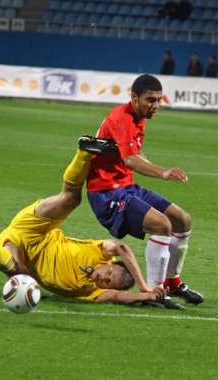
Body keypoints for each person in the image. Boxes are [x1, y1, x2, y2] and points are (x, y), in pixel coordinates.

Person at [0, 138, 168, 307]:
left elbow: (117, 297)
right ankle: (84, 151)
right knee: (71, 199)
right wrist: (144, 285)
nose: (104, 278)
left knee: (20, 275)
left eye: (108, 282)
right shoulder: (99, 252)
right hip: (37, 230)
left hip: (18, 253)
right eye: (109, 272)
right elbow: (122, 247)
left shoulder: (90, 292)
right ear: (111, 262)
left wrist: (146, 296)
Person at [78, 74, 204, 309]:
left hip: (126, 186)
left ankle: (173, 283)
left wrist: (145, 162)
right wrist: (164, 172)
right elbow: (131, 159)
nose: (155, 106)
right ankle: (155, 293)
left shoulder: (139, 116)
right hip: (107, 193)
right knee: (162, 225)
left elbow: (134, 152)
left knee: (182, 220)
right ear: (134, 97)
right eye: (150, 100)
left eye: (158, 100)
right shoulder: (123, 118)